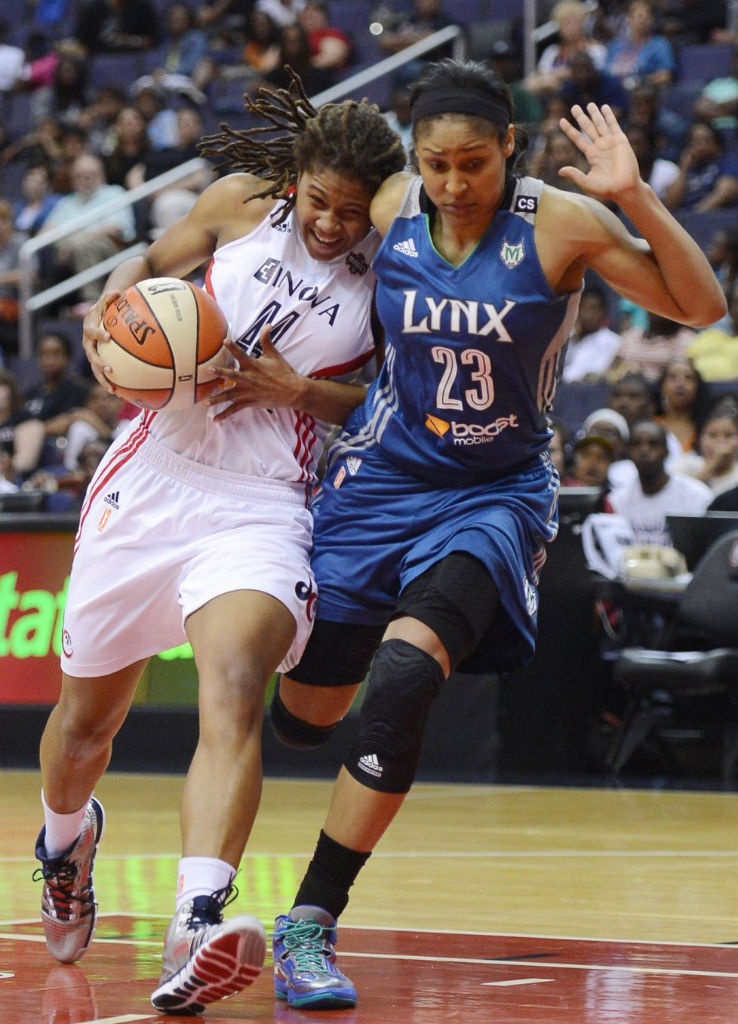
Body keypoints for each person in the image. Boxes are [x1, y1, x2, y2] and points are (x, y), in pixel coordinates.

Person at [257, 58, 726, 1009]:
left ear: (510, 147)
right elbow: (286, 233)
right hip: (380, 478)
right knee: (306, 720)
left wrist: (632, 193)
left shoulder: (558, 221)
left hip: (495, 492)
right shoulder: (388, 206)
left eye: (474, 162)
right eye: (436, 165)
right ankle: (314, 737)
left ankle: (308, 921)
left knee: (402, 680)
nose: (454, 184)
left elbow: (702, 305)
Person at [31, 72, 406, 1018]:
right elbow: (147, 268)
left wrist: (301, 392)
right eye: (321, 202)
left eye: (353, 213)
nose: (332, 224)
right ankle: (63, 844)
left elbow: (395, 403)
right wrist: (105, 322)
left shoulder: (395, 269)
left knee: (234, 689)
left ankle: (197, 920)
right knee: (85, 730)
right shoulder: (238, 203)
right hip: (153, 476)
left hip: (262, 500)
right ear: (297, 178)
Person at [609, 418, 713, 543]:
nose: (644, 450)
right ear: (628, 452)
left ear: (666, 452)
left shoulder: (698, 496)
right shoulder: (616, 500)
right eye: (636, 444)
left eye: (653, 444)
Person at [561, 284, 621, 382]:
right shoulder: (569, 337)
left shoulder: (612, 341)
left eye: (593, 309)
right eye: (583, 308)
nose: (587, 314)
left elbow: (595, 373)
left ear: (603, 312)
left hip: (586, 390)